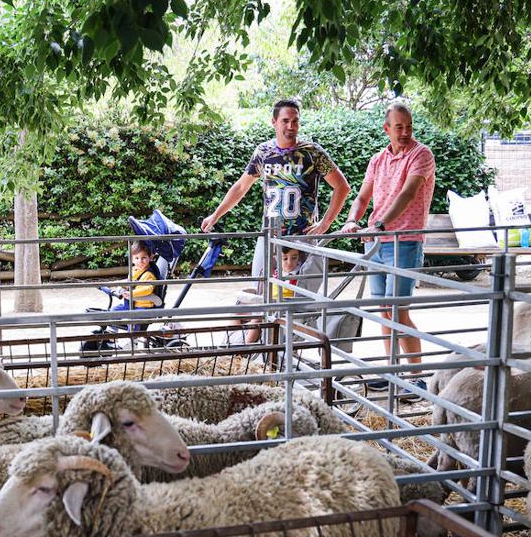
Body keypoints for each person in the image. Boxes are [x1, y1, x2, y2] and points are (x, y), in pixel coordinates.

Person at [339, 102, 436, 394]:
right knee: (384, 310)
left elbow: (408, 194)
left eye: (409, 126)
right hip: (375, 242)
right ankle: (392, 369)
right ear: (387, 129)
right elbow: (362, 196)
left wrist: (380, 224)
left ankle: (416, 375)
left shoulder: (422, 155)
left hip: (404, 240)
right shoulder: (377, 160)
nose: (405, 132)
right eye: (399, 127)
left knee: (398, 310)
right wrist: (352, 219)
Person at [200, 98, 350, 280]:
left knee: (303, 295)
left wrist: (326, 222)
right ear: (274, 122)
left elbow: (342, 186)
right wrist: (216, 215)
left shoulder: (312, 152)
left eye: (295, 121)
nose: (291, 126)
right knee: (262, 287)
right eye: (285, 121)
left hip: (303, 236)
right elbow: (241, 187)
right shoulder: (263, 152)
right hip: (270, 234)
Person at [110, 240, 163, 312]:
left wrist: (131, 293)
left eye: (143, 258)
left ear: (150, 258)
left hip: (143, 305)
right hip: (130, 304)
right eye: (137, 258)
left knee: (134, 319)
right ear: (132, 259)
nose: (140, 261)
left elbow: (148, 289)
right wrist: (122, 289)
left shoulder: (149, 274)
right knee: (113, 311)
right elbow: (130, 282)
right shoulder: (134, 270)